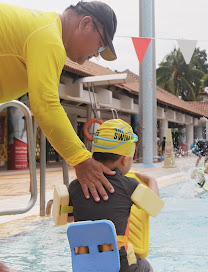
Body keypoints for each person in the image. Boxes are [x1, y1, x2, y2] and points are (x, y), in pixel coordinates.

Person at [0, 1, 118, 202]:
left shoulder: (45, 30)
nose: (97, 55)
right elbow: (45, 103)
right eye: (101, 44)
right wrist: (81, 159)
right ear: (86, 23)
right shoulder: (49, 38)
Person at [68, 119, 158, 272]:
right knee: (147, 267)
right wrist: (151, 180)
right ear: (124, 160)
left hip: (84, 264)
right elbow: (154, 207)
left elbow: (70, 218)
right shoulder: (129, 185)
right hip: (121, 264)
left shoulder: (76, 186)